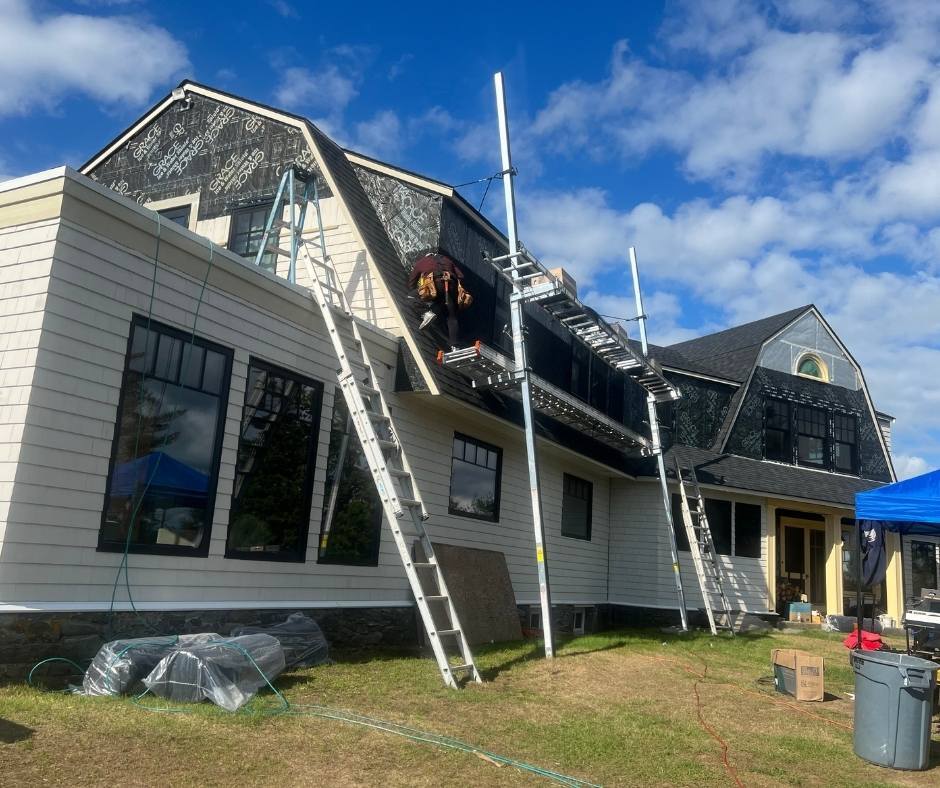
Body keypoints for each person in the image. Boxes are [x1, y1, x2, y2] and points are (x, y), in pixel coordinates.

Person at [407, 250, 465, 349]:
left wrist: (420, 291)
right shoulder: (447, 260)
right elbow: (461, 276)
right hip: (451, 286)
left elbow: (411, 283)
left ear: (426, 256)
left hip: (435, 285)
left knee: (410, 297)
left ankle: (426, 313)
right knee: (451, 316)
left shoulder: (422, 262)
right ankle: (455, 346)